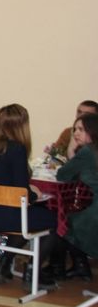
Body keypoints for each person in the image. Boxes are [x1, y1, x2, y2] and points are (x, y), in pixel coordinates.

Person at [0, 104, 58, 290]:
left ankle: (3, 265)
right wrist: (35, 194)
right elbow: (22, 192)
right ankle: (32, 271)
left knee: (24, 219)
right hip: (10, 216)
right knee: (56, 220)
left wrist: (26, 191)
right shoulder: (17, 149)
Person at [53, 113, 98, 282]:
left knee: (63, 220)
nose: (76, 133)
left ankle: (59, 267)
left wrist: (71, 150)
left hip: (94, 211)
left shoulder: (87, 151)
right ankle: (80, 266)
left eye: (81, 129)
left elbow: (63, 174)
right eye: (75, 129)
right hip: (92, 204)